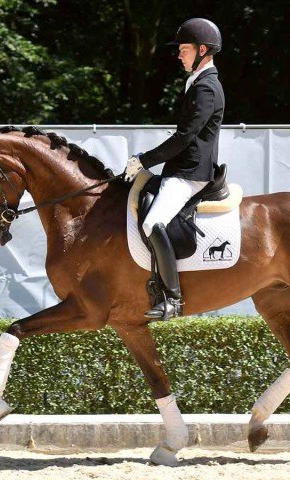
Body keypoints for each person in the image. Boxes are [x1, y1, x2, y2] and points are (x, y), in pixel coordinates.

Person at [123, 17, 225, 320]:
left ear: (202, 50)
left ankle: (173, 299)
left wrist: (145, 160)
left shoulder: (207, 88)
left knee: (152, 223)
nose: (179, 54)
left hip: (190, 174)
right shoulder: (197, 82)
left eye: (184, 49)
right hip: (180, 169)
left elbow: (185, 137)